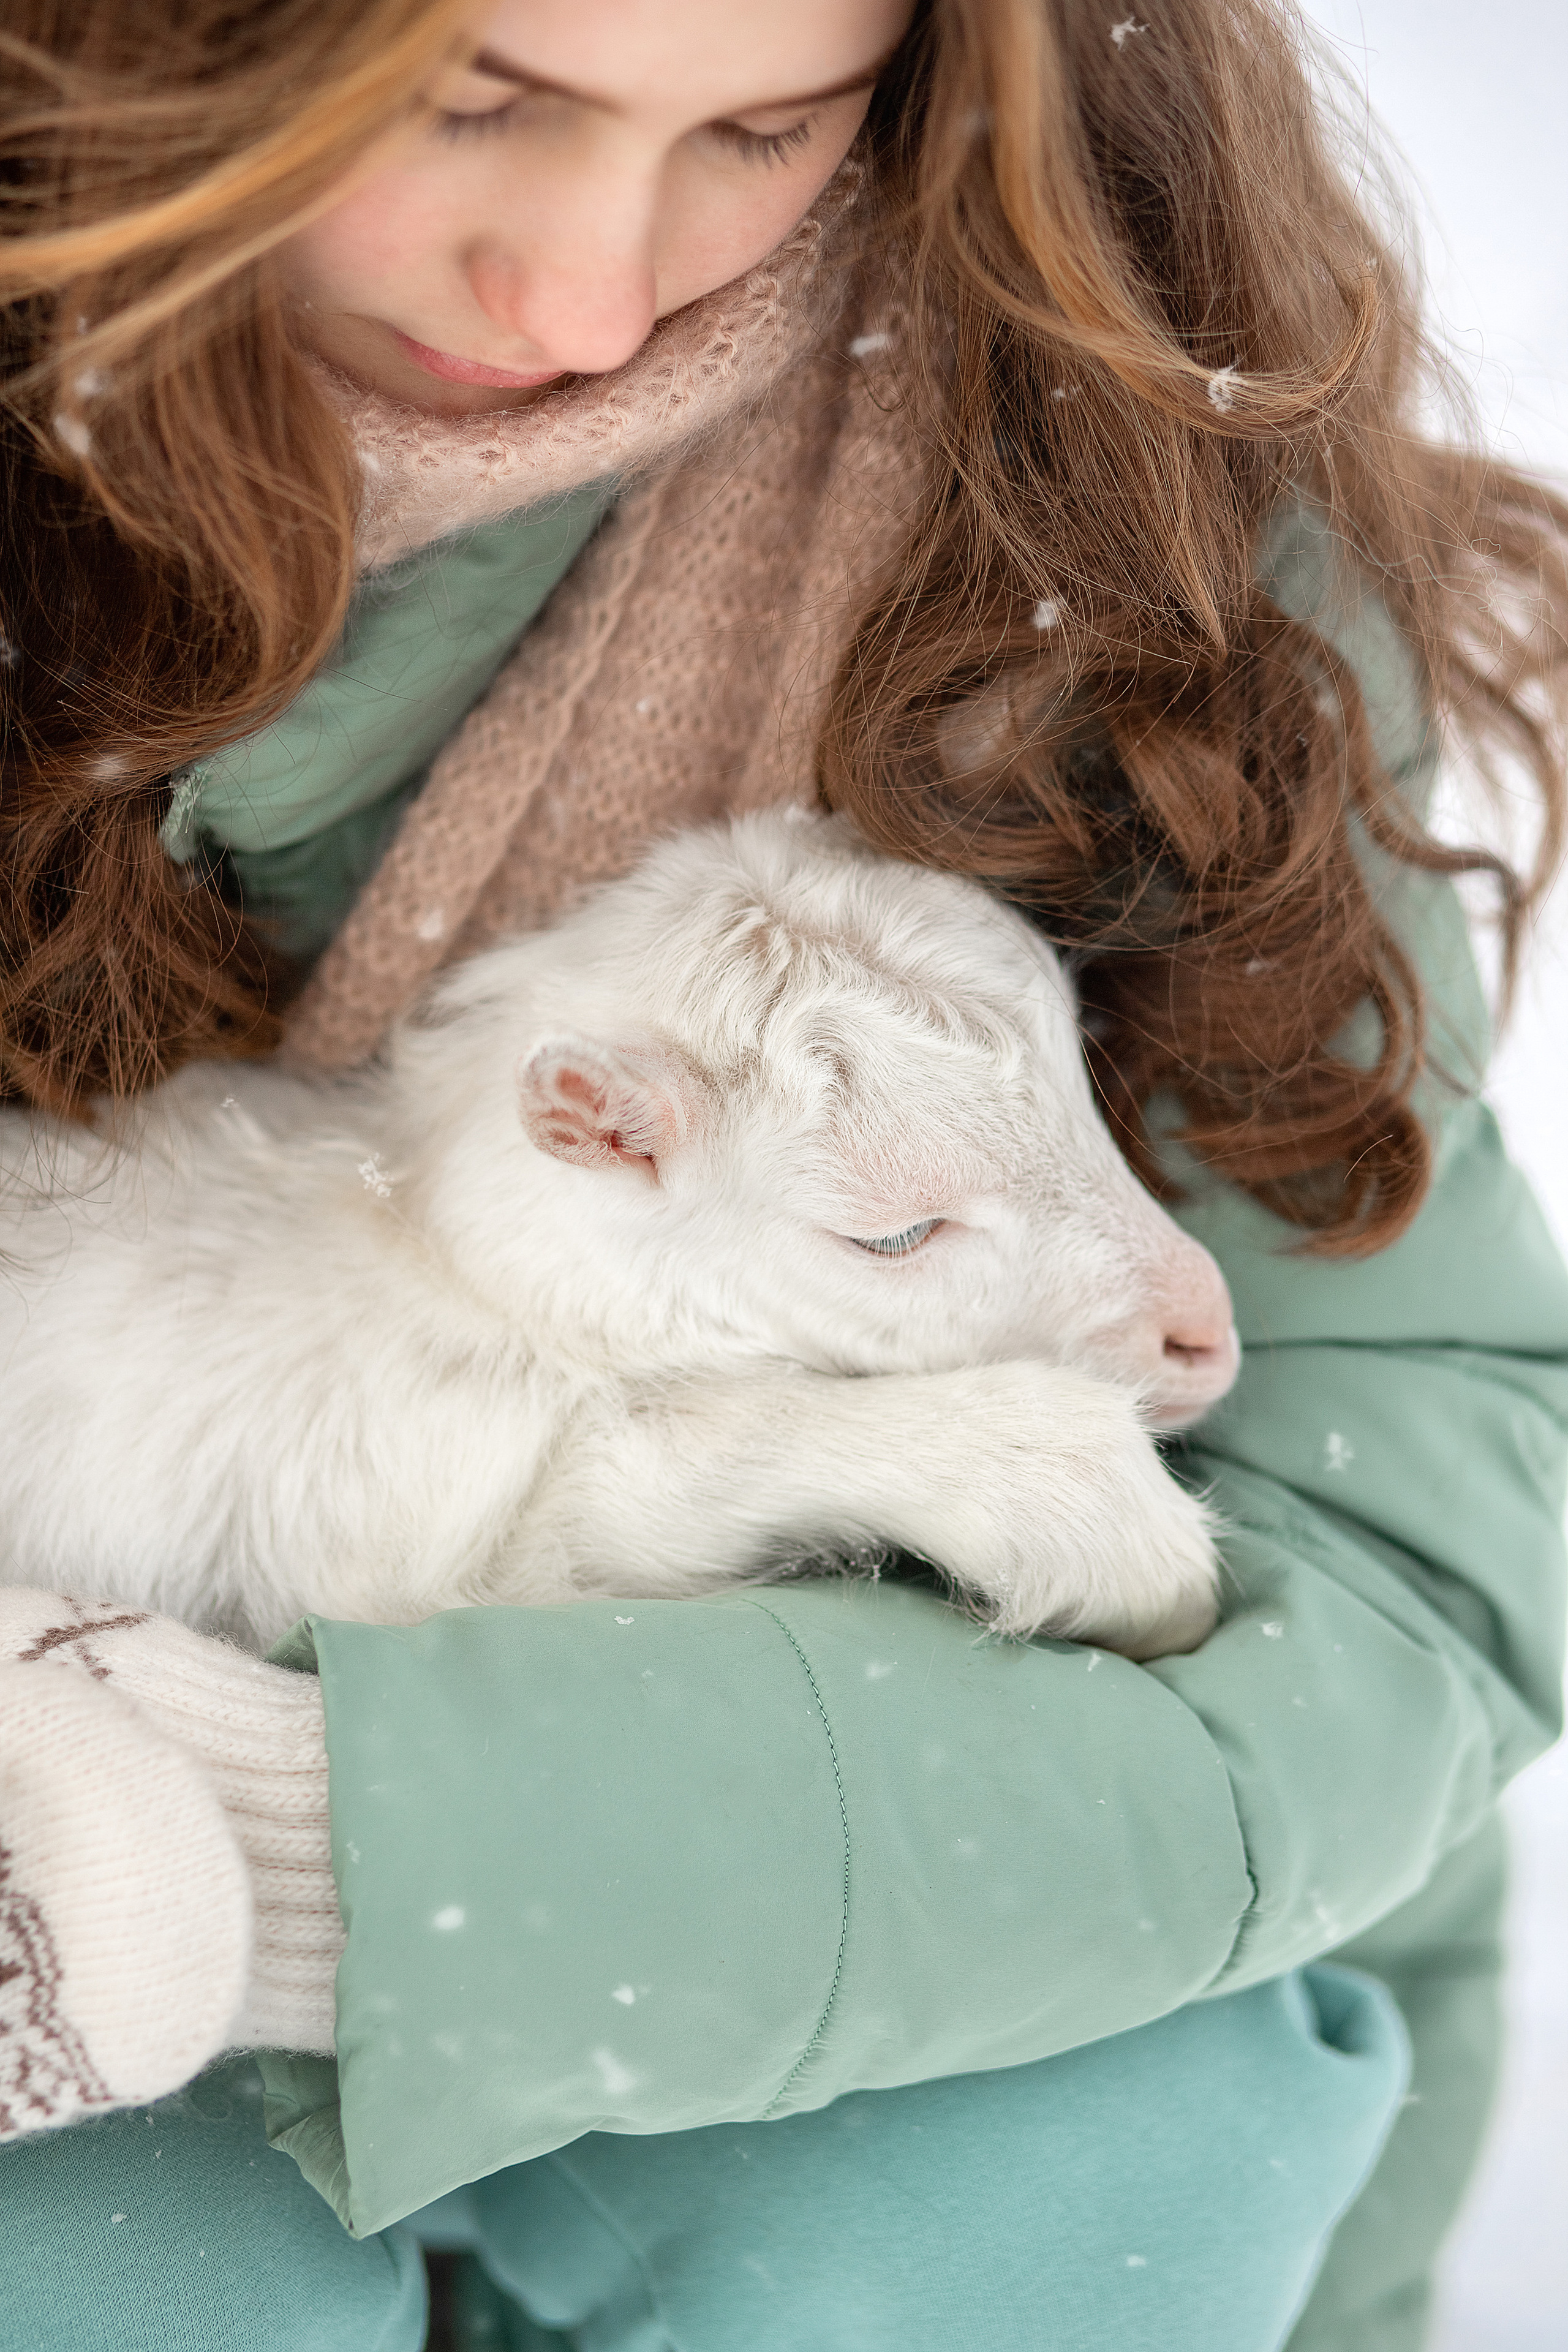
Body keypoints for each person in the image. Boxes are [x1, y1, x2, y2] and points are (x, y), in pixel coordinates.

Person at [1, 2, 1565, 2347]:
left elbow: (1383, 1543)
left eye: (759, 130)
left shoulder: (1108, 503)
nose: (588, 303)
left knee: (1063, 2203)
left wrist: (353, 1848)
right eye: (478, 102)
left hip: (861, 1869)